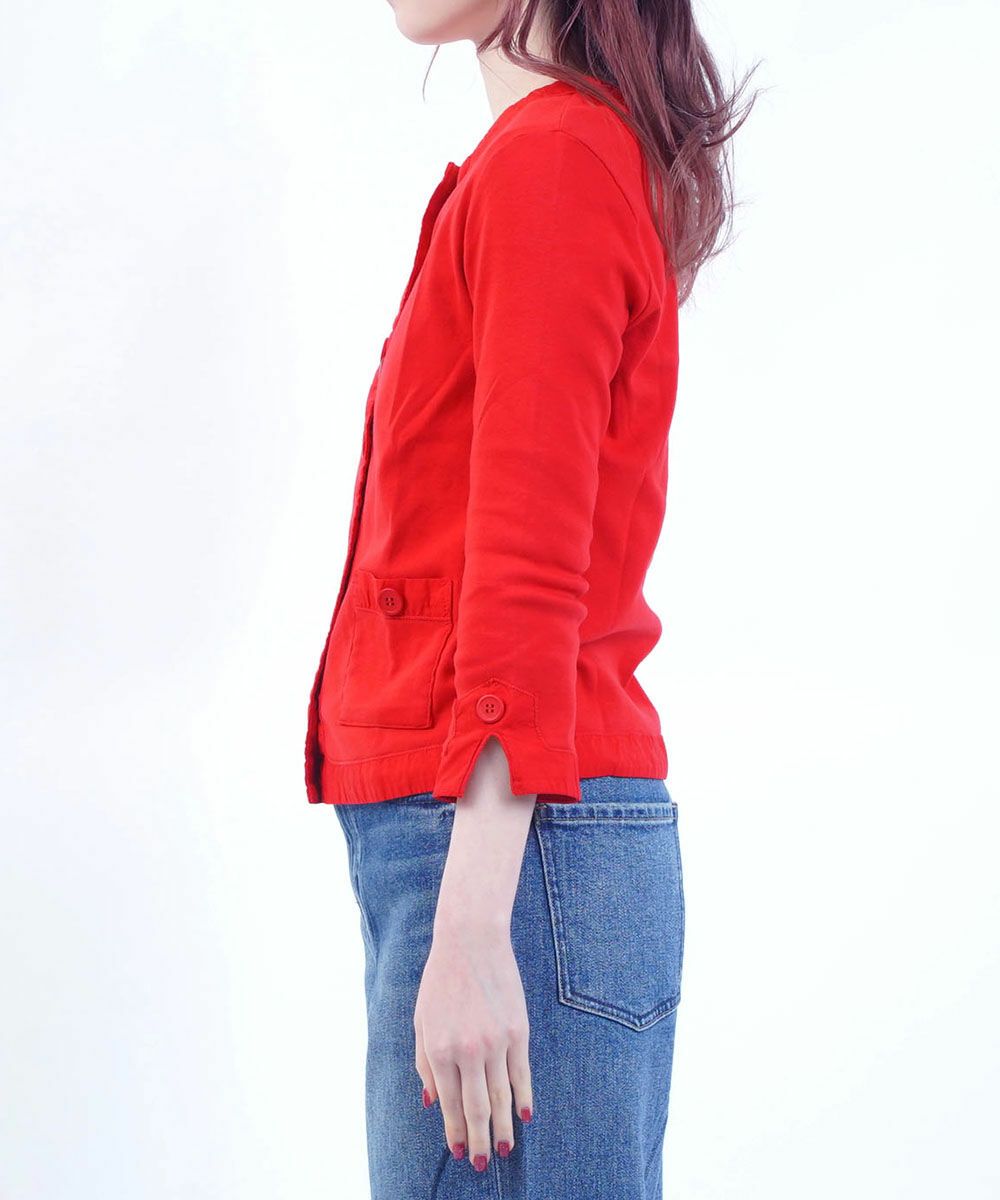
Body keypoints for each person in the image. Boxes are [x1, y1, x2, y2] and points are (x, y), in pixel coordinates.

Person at [303, 2, 755, 1196]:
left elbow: (528, 564)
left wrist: (469, 925)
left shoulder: (553, 160)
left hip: (506, 847)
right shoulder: (548, 158)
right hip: (511, 848)